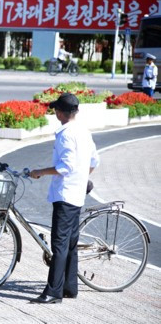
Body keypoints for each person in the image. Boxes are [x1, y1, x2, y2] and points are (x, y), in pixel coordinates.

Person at [29, 93, 100, 304]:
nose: (54, 113)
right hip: (76, 194)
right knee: (70, 243)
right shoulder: (83, 131)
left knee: (59, 245)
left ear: (61, 112)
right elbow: (95, 160)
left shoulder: (65, 134)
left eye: (55, 110)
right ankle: (70, 287)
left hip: (65, 194)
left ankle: (53, 292)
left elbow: (65, 167)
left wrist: (40, 171)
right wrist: (82, 178)